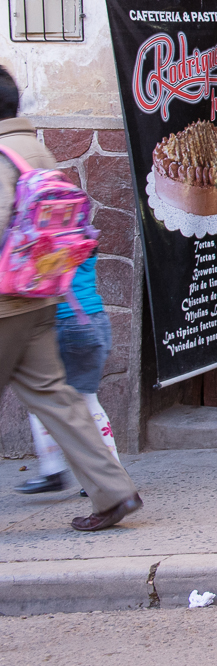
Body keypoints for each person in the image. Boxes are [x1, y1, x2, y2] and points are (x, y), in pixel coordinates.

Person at [0, 65, 144, 531]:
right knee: (58, 398)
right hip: (42, 297)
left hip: (4, 303)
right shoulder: (33, 149)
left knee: (57, 397)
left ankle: (113, 493)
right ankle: (114, 492)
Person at [15, 243, 118, 495]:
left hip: (65, 322)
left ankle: (53, 470)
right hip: (95, 320)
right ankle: (112, 472)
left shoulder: (46, 236)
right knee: (88, 400)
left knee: (42, 397)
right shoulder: (80, 230)